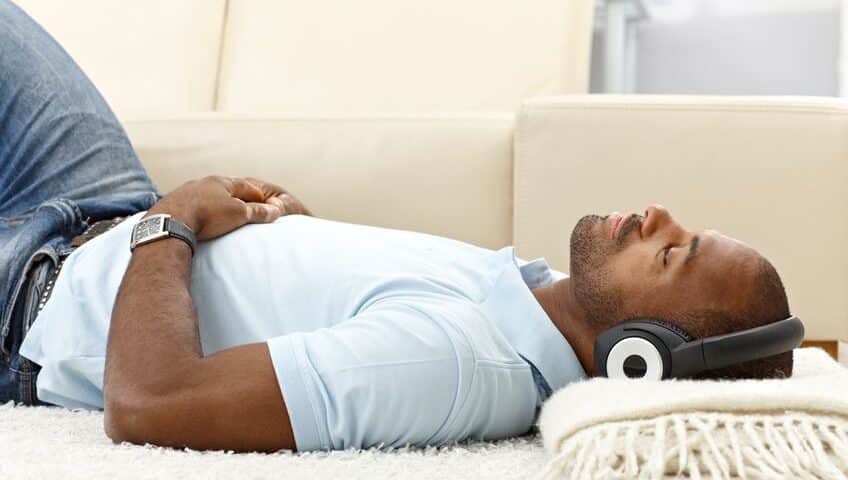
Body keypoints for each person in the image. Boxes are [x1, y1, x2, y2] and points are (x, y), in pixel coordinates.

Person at [0, 0, 793, 454]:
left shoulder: (454, 365)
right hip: (101, 208)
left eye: (673, 251)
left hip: (32, 302)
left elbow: (152, 405)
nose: (655, 215)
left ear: (640, 355)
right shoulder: (529, 302)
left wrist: (169, 226)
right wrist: (285, 234)